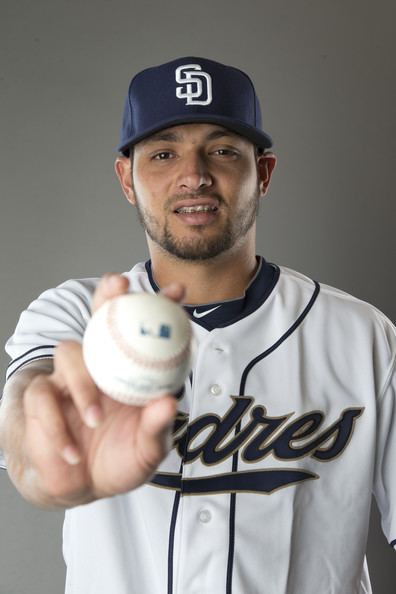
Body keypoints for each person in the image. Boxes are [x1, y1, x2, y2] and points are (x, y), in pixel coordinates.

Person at [0, 56, 395, 594]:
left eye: (223, 150)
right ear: (127, 179)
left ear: (265, 173)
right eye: (164, 153)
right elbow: (29, 405)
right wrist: (43, 454)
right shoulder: (76, 314)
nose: (194, 175)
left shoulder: (362, 337)